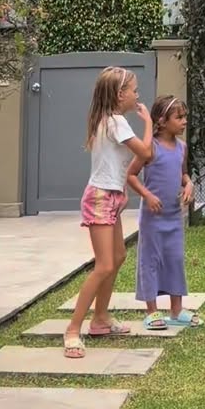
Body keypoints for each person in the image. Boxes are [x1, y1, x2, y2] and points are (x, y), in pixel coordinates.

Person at [64, 66, 153, 359]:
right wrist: (149, 123)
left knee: (118, 256)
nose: (137, 95)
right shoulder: (116, 122)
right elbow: (146, 153)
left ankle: (100, 319)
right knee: (104, 265)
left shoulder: (108, 121)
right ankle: (73, 330)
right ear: (120, 95)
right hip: (101, 198)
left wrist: (121, 190)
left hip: (110, 195)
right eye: (134, 90)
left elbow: (113, 163)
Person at [127, 95, 201, 329]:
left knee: (174, 259)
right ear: (162, 120)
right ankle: (151, 312)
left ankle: (176, 310)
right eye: (179, 117)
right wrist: (147, 195)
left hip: (174, 216)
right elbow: (130, 175)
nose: (184, 121)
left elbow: (183, 174)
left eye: (185, 117)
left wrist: (189, 184)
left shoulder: (182, 147)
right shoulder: (150, 148)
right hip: (152, 219)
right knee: (150, 261)